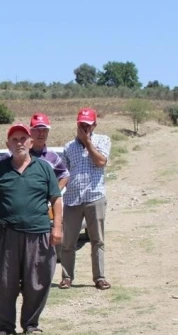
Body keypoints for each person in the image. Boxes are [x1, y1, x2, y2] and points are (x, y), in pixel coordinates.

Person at [0, 124, 62, 335]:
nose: (19, 143)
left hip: (38, 233)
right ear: (8, 144)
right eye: (14, 139)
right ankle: (5, 326)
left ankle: (31, 324)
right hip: (4, 235)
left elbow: (56, 199)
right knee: (3, 282)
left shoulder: (44, 168)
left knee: (37, 281)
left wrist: (58, 228)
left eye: (23, 139)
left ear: (31, 142)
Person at [59, 108, 112, 290]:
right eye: (82, 125)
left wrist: (88, 142)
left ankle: (99, 277)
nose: (85, 128)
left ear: (94, 125)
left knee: (97, 240)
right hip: (72, 199)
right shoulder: (68, 147)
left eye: (88, 125)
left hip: (94, 197)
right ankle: (67, 277)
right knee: (68, 242)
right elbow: (64, 173)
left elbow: (101, 162)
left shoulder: (103, 140)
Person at [29, 113, 70, 190]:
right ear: (30, 131)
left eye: (44, 130)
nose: (41, 134)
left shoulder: (52, 156)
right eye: (38, 130)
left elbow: (65, 175)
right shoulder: (23, 153)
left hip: (43, 201)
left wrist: (54, 194)